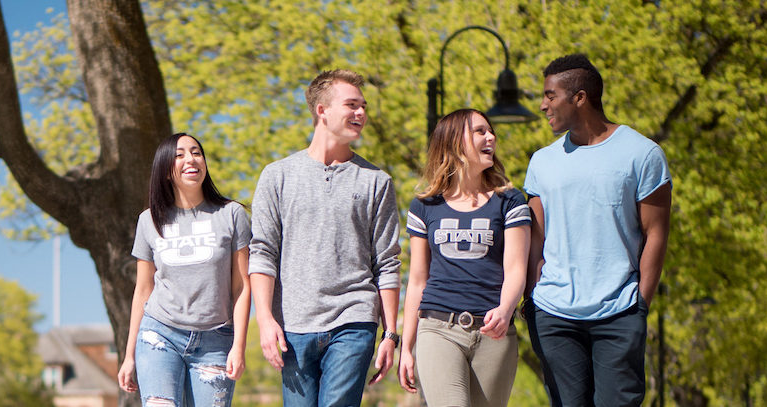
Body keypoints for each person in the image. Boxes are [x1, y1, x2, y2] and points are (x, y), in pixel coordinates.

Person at [523, 54, 672, 406]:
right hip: (553, 313)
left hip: (620, 312)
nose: (543, 105)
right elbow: (536, 239)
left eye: (550, 95)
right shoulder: (542, 161)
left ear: (580, 97)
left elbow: (656, 234)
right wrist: (532, 299)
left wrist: (639, 305)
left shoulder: (643, 155)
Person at [248, 69, 402, 406]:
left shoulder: (377, 181)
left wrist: (390, 333)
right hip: (294, 323)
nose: (361, 113)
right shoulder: (278, 176)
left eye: (363, 106)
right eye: (351, 105)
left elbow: (387, 263)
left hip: (354, 318)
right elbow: (262, 253)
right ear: (322, 111)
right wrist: (265, 319)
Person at [396, 109, 530, 406]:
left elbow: (516, 268)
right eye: (480, 131)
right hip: (438, 330)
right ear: (455, 142)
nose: (491, 137)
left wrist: (506, 310)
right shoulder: (424, 206)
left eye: (490, 131)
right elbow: (417, 281)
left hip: (494, 333)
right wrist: (406, 346)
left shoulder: (510, 201)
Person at [117, 132, 252, 407]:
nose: (190, 159)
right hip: (160, 334)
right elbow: (143, 290)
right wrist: (129, 354)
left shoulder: (232, 214)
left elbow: (241, 287)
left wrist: (239, 345)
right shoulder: (149, 220)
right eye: (179, 155)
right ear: (166, 170)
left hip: (216, 340)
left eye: (196, 152)